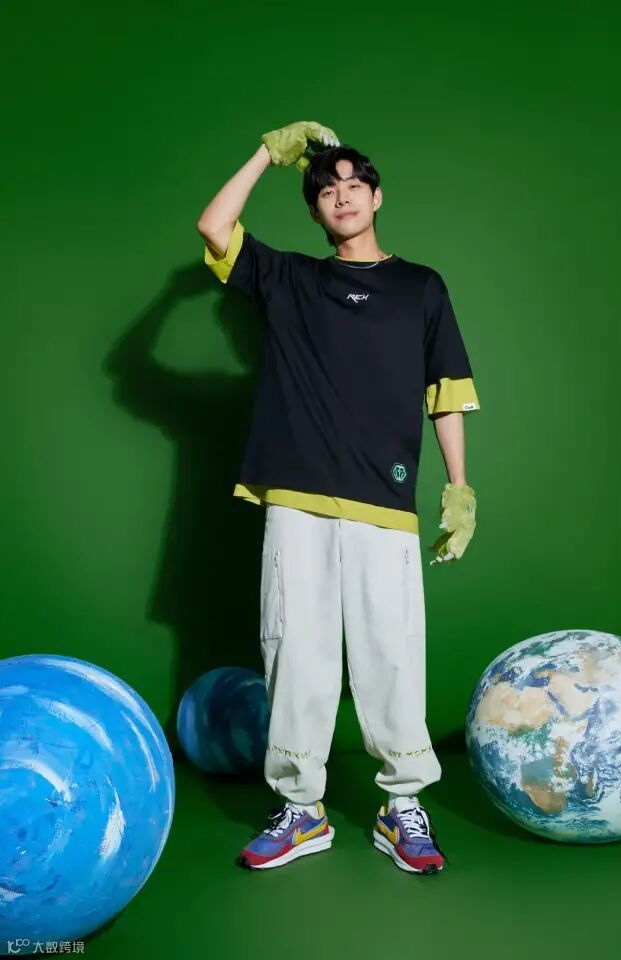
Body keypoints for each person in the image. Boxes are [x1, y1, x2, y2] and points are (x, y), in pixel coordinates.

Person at [196, 121, 481, 875]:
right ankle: (301, 810)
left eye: (354, 184)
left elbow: (446, 392)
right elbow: (214, 226)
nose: (343, 196)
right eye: (326, 190)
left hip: (385, 503)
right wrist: (266, 152)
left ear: (376, 197)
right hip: (297, 499)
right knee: (296, 651)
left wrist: (459, 487)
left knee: (393, 655)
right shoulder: (288, 279)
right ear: (316, 212)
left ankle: (402, 807)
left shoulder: (422, 287)